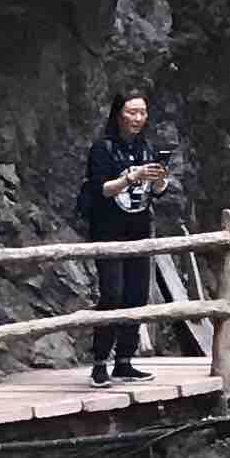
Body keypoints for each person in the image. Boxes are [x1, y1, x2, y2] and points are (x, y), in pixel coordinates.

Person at [79, 88, 171, 385]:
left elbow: (156, 192)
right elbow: (100, 189)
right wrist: (129, 178)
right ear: (118, 114)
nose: (137, 118)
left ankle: (125, 360)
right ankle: (99, 362)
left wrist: (158, 181)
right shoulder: (102, 149)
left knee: (136, 295)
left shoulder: (147, 148)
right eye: (131, 112)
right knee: (112, 294)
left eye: (142, 112)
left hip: (139, 229)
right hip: (107, 230)